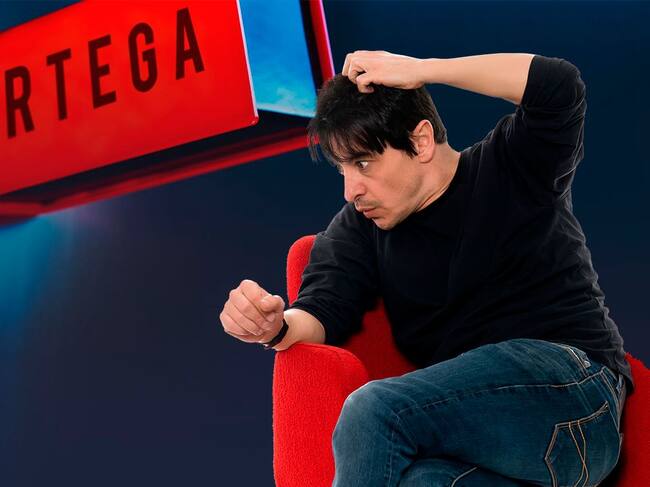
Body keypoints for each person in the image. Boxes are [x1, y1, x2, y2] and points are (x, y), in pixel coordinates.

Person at [219, 51, 633, 486]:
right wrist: (273, 327)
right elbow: (321, 310)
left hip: (574, 402)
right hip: (487, 449)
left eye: (363, 163)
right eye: (342, 169)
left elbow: (557, 85)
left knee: (375, 408)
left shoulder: (510, 166)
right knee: (423, 481)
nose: (350, 190)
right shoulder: (359, 228)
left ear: (420, 141)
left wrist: (422, 70)